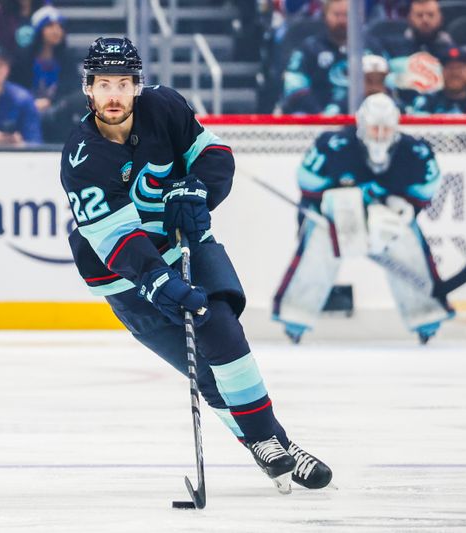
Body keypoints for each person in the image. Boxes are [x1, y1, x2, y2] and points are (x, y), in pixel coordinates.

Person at [60, 37, 333, 492]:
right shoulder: (82, 157)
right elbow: (117, 239)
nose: (113, 94)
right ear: (88, 89)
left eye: (123, 84)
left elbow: (215, 156)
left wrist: (198, 188)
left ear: (137, 86)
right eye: (103, 83)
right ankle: (275, 442)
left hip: (186, 240)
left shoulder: (165, 107)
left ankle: (267, 440)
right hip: (122, 275)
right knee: (204, 372)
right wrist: (157, 282)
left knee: (218, 324)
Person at [273, 93, 451, 344]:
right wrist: (327, 204)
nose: (379, 134)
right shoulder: (333, 145)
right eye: (374, 128)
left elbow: (424, 193)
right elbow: (307, 185)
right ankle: (295, 318)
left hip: (387, 216)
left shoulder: (415, 152)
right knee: (318, 245)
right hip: (336, 217)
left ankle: (426, 317)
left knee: (408, 240)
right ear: (361, 125)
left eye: (385, 128)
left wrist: (408, 207)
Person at [10, 5, 80, 143]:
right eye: (50, 26)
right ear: (38, 30)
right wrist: (30, 103)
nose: (56, 31)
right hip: (26, 112)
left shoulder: (68, 58)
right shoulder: (23, 58)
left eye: (60, 26)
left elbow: (74, 90)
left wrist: (52, 102)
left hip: (59, 115)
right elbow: (13, 88)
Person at [276, 0, 348, 114]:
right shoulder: (309, 48)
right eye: (337, 14)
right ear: (325, 16)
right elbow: (294, 85)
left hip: (362, 119)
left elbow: (384, 84)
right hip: (314, 117)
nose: (342, 20)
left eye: (346, 15)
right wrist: (319, 114)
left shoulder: (370, 49)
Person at [369, 0, 455, 94]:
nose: (425, 20)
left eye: (430, 15)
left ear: (440, 18)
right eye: (419, 15)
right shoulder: (393, 47)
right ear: (409, 18)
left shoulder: (451, 50)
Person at [411, 48, 466, 114]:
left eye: (460, 68)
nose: (455, 73)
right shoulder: (426, 100)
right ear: (442, 71)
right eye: (450, 68)